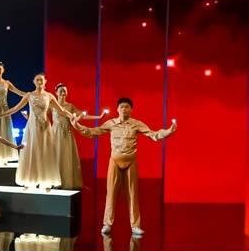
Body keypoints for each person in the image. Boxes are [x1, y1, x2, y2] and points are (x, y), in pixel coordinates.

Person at [73, 97, 176, 236]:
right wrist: (78, 126)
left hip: (131, 162)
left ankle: (135, 226)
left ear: (131, 109)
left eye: (127, 107)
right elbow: (93, 131)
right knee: (111, 193)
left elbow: (153, 134)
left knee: (133, 194)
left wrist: (168, 131)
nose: (124, 109)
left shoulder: (136, 124)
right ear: (117, 109)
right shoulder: (111, 123)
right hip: (115, 161)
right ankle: (107, 224)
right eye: (121, 106)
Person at [1, 73, 75, 189]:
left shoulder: (49, 96)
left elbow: (62, 110)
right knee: (32, 151)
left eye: (41, 80)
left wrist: (72, 116)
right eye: (37, 80)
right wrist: (2, 114)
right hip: (32, 127)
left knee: (45, 151)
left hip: (45, 127)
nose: (39, 82)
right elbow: (16, 108)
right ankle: (30, 179)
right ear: (34, 82)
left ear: (45, 82)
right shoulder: (29, 95)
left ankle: (46, 180)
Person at [51, 83, 106, 190]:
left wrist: (98, 117)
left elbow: (83, 115)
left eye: (64, 90)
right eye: (61, 91)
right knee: (55, 156)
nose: (63, 93)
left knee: (66, 157)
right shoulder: (52, 104)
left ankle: (66, 182)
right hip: (55, 133)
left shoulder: (70, 106)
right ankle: (54, 181)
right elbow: (42, 112)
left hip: (67, 134)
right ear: (56, 93)